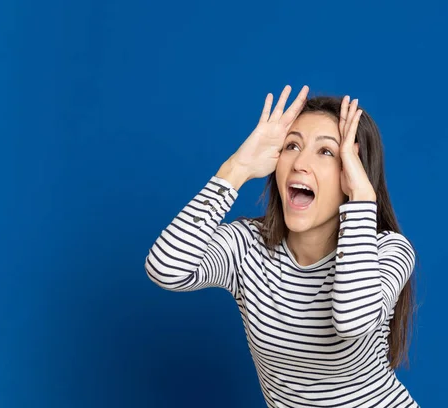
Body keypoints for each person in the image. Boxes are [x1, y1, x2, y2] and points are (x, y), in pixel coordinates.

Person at [145, 85, 419, 407]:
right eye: (292, 146)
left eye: (327, 152)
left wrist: (361, 198)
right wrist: (237, 169)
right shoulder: (248, 247)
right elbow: (165, 269)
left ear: (352, 171)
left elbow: (352, 321)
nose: (300, 163)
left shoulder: (387, 251)